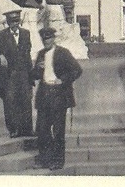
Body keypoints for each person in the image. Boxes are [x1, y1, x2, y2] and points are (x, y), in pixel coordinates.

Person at [31, 27, 83, 170]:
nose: (46, 41)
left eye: (48, 38)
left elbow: (77, 70)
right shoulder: (41, 54)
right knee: (42, 129)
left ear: (53, 39)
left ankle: (58, 161)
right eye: (44, 39)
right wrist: (38, 69)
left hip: (59, 95)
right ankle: (45, 159)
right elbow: (34, 76)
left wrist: (63, 79)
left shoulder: (63, 53)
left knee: (58, 131)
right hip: (44, 95)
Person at [0, 9, 34, 138]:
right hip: (10, 75)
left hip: (23, 72)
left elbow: (28, 54)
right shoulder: (1, 36)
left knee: (26, 100)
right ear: (8, 22)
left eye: (16, 21)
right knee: (10, 102)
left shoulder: (26, 34)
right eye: (12, 21)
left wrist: (31, 74)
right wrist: (0, 55)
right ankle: (14, 129)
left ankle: (27, 129)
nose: (15, 24)